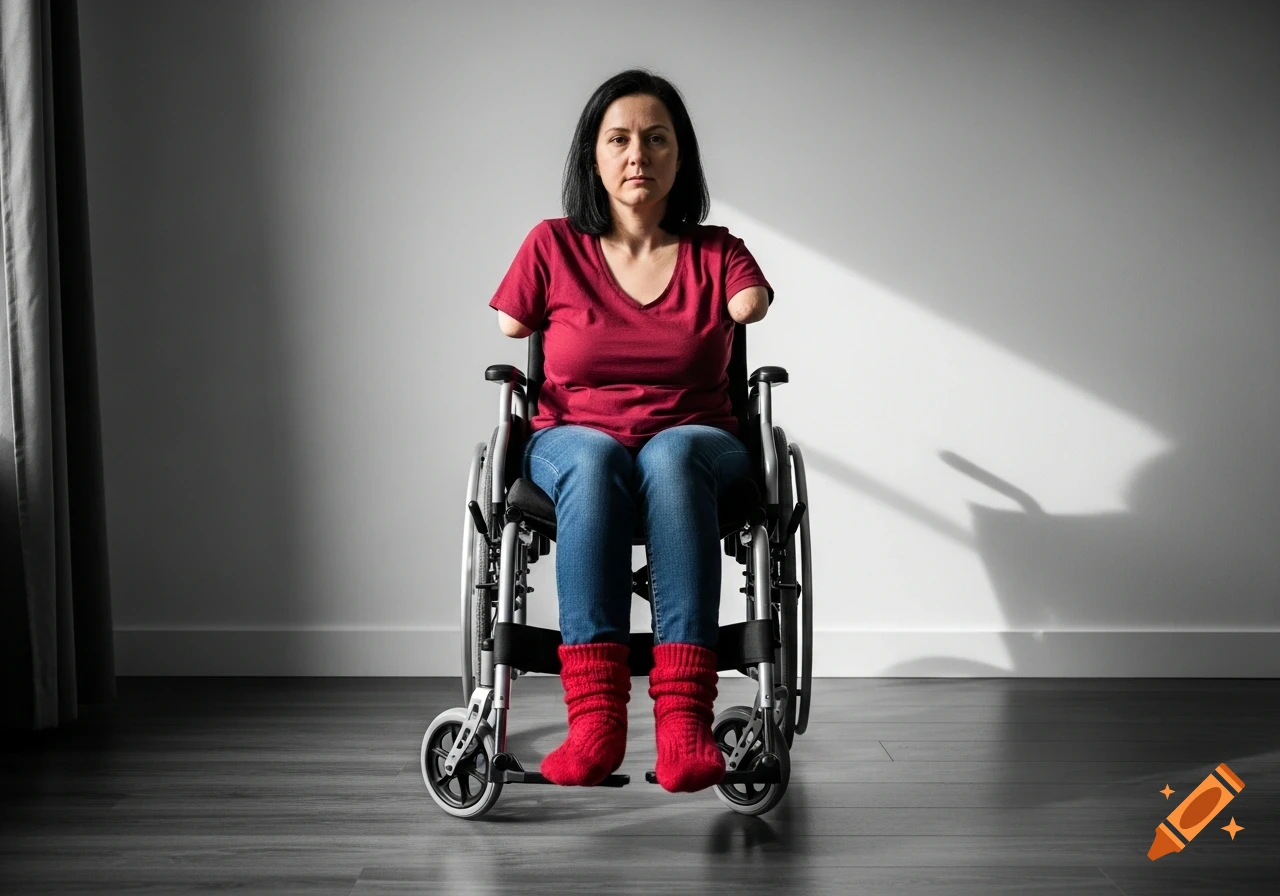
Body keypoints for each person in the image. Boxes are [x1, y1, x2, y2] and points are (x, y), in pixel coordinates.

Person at [488, 69, 774, 793]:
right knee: (591, 455)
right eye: (618, 139)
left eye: (656, 139)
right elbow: (510, 322)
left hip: (697, 438)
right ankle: (596, 723)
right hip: (573, 439)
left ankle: (682, 725)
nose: (637, 155)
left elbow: (753, 301)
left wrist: (744, 293)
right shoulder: (553, 246)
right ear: (594, 154)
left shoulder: (716, 251)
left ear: (682, 156)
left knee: (673, 456)